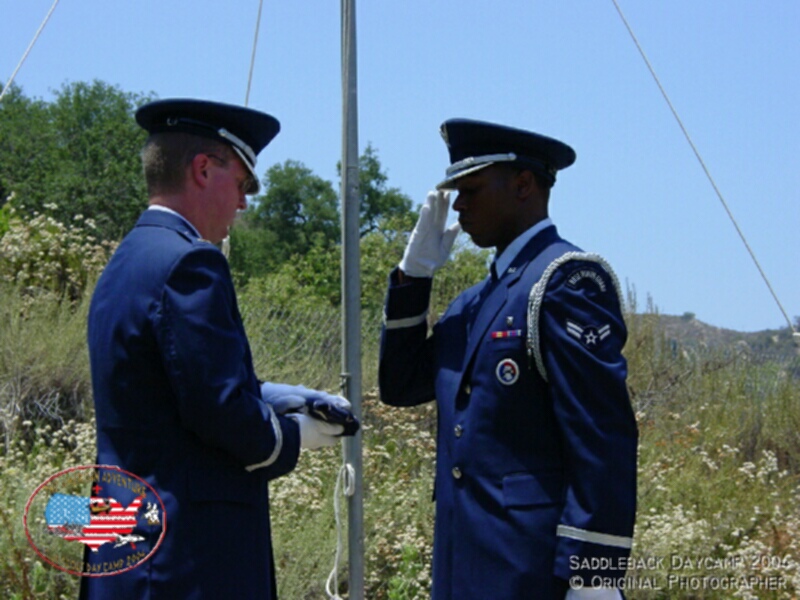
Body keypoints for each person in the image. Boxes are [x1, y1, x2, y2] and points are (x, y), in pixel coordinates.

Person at [81, 99, 356, 599]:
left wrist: (268, 395)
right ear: (204, 170)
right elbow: (220, 410)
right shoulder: (191, 263)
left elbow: (167, 389)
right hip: (186, 558)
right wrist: (295, 434)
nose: (244, 203)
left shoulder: (127, 260)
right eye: (244, 184)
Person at [379, 119, 637, 599]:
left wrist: (593, 576)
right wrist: (413, 277)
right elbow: (402, 384)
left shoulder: (565, 281)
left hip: (531, 567)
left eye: (471, 189)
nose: (459, 205)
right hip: (463, 562)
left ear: (523, 185)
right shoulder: (474, 301)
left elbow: (600, 435)